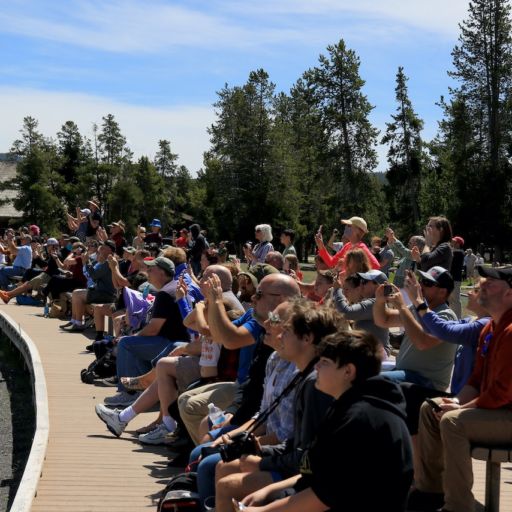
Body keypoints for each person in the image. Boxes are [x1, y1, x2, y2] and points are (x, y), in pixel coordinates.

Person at [241, 330, 414, 512]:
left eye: (324, 362)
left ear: (348, 371)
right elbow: (317, 472)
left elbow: (327, 495)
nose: (316, 368)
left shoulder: (362, 418)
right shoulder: (346, 405)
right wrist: (268, 490)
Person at [409, 265, 512, 512]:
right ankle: (430, 491)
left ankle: (458, 506)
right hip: (493, 411)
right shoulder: (490, 328)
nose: (482, 285)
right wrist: (454, 403)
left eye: (490, 283)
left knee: (453, 422)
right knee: (430, 408)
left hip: (506, 414)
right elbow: (476, 381)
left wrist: (459, 409)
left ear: (509, 294)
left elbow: (501, 393)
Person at [103, 256, 190, 408]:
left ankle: (129, 393)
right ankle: (145, 392)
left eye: (151, 269)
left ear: (163, 273)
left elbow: (154, 328)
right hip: (175, 342)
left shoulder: (165, 293)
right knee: (135, 345)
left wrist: (134, 336)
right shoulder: (173, 287)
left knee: (126, 344)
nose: (147, 272)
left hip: (171, 343)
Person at [374, 266, 458, 391]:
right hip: (406, 374)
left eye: (428, 283)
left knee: (374, 382)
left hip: (427, 382)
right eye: (422, 280)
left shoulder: (446, 316)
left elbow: (423, 343)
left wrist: (402, 306)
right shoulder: (417, 309)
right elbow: (383, 320)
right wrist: (380, 301)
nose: (420, 285)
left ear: (442, 292)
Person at [333, 269, 391, 356]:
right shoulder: (374, 301)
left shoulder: (374, 303)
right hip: (372, 351)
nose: (361, 284)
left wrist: (338, 290)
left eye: (364, 282)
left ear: (378, 286)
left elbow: (345, 312)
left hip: (376, 354)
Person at [314, 216, 380, 271]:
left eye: (349, 225)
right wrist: (320, 245)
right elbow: (331, 263)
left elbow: (376, 266)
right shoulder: (347, 246)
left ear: (357, 230)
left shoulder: (362, 248)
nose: (345, 227)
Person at [449, 236, 465, 319]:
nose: (451, 242)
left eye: (453, 241)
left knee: (455, 300)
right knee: (450, 300)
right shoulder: (455, 252)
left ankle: (458, 318)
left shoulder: (459, 253)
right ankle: (453, 317)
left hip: (455, 279)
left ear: (458, 244)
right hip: (452, 278)